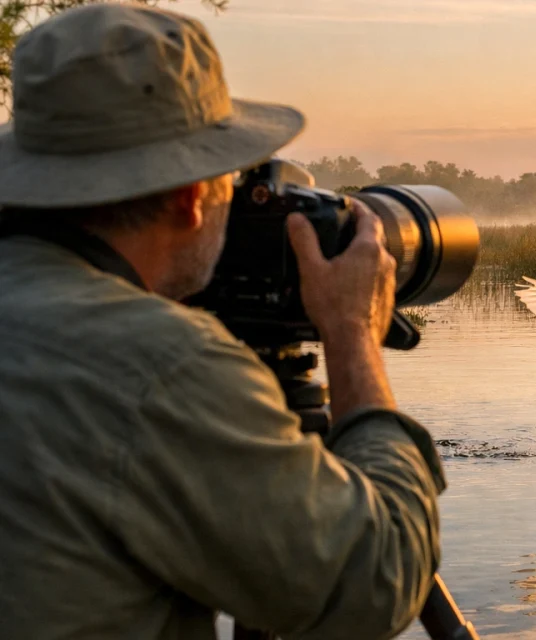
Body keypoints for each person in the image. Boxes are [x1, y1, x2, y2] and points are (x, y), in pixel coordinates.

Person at [0, 4, 448, 639]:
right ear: (189, 197)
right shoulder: (164, 366)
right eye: (228, 181)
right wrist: (351, 335)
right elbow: (375, 582)